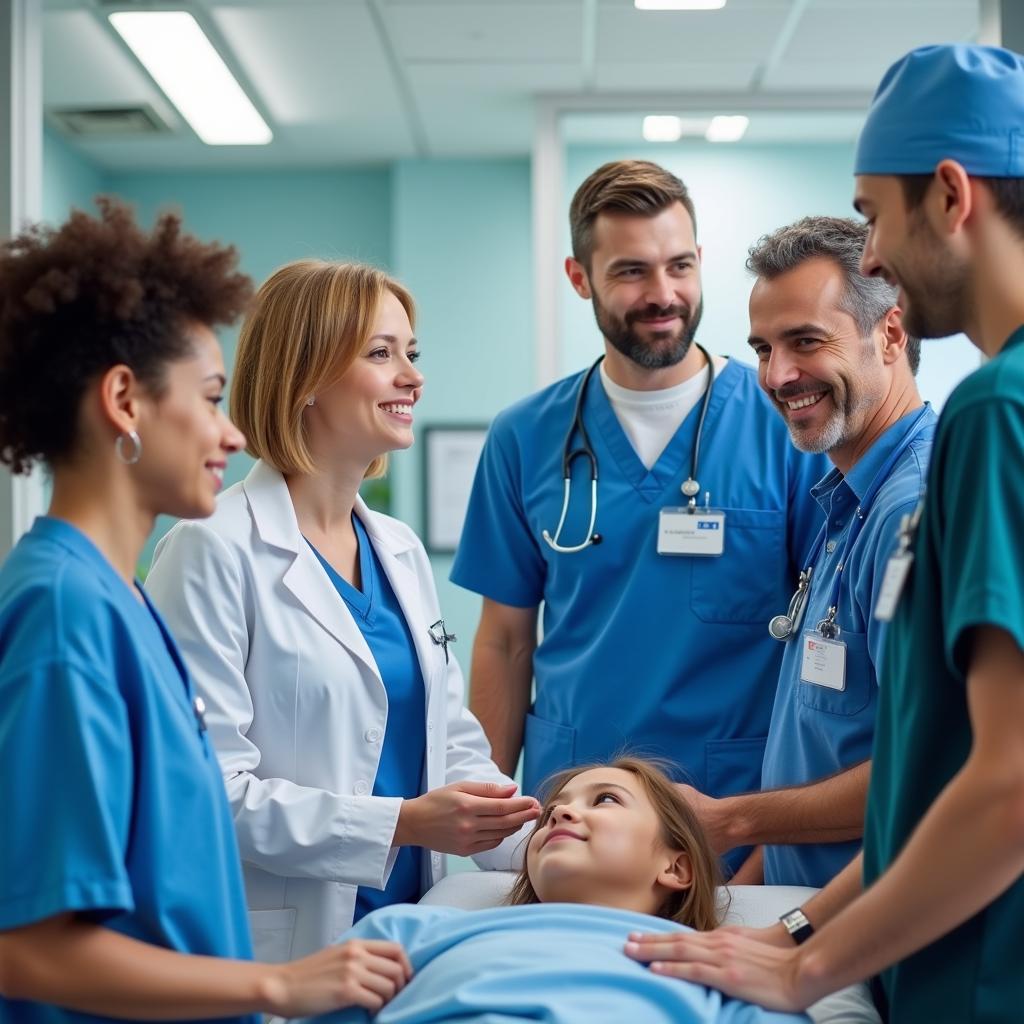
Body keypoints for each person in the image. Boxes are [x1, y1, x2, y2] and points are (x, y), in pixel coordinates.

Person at [625, 44, 1024, 1022]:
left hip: (970, 968)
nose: (875, 254)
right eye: (761, 347)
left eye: (871, 214)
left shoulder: (990, 414)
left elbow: (1002, 777)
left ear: (948, 194)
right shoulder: (847, 501)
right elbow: (930, 773)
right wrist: (796, 929)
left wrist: (804, 965)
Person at [0, 201, 413, 1021]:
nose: (232, 432)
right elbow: (26, 943)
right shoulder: (62, 612)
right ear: (125, 400)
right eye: (213, 396)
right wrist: (277, 984)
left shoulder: (115, 600)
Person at [146, 259, 540, 965]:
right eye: (381, 354)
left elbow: (451, 746)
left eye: (411, 354)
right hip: (277, 947)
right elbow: (205, 793)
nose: (413, 377)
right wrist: (403, 824)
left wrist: (543, 842)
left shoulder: (399, 550)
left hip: (406, 937)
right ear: (306, 378)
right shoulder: (210, 549)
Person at [450, 160, 828, 877]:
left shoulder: (784, 425)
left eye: (679, 265)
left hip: (729, 813)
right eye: (631, 272)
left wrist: (778, 838)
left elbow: (821, 637)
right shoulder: (524, 436)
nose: (664, 295)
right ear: (578, 276)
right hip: (569, 812)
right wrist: (493, 829)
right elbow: (503, 641)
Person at [678, 217, 935, 889]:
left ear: (890, 334)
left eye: (806, 342)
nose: (777, 375)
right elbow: (821, 747)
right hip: (805, 909)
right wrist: (743, 897)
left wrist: (734, 822)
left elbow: (928, 763)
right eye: (763, 348)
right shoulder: (848, 502)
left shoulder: (912, 510)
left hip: (875, 928)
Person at [299, 758, 808, 1024]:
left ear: (676, 867)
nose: (562, 812)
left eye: (605, 800)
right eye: (554, 809)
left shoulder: (718, 966)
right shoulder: (410, 929)